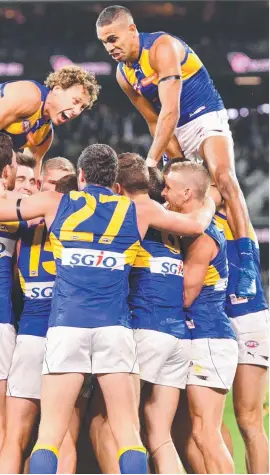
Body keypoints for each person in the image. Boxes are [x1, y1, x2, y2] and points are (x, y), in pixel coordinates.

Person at [0, 143, 216, 475]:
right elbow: (197, 225)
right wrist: (208, 200)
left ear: (81, 175)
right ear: (115, 181)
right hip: (115, 329)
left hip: (67, 328)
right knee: (129, 435)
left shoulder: (55, 202)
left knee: (49, 437)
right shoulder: (138, 210)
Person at [96, 5, 258, 298]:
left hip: (204, 116)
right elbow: (154, 120)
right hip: (172, 131)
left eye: (113, 38)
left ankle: (248, 263)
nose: (110, 47)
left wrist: (151, 161)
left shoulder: (162, 47)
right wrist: (176, 161)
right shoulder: (124, 74)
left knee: (224, 179)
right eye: (104, 42)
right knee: (174, 196)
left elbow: (171, 110)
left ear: (132, 30)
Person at [0, 157, 82, 474]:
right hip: (65, 334)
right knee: (63, 438)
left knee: (14, 437)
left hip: (30, 332)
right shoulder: (83, 225)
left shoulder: (21, 226)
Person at [163, 160, 238, 473]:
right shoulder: (197, 228)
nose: (164, 193)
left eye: (168, 188)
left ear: (186, 193)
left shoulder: (202, 237)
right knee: (200, 432)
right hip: (205, 335)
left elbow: (185, 296)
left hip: (209, 336)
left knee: (207, 433)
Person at [119, 154, 189, 473]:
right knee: (160, 435)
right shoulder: (171, 221)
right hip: (177, 336)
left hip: (147, 327)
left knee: (119, 426)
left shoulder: (135, 212)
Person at [215, 208, 269, 474]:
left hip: (245, 318)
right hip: (219, 323)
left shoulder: (236, 218)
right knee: (210, 422)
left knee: (249, 421)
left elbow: (229, 182)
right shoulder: (198, 219)